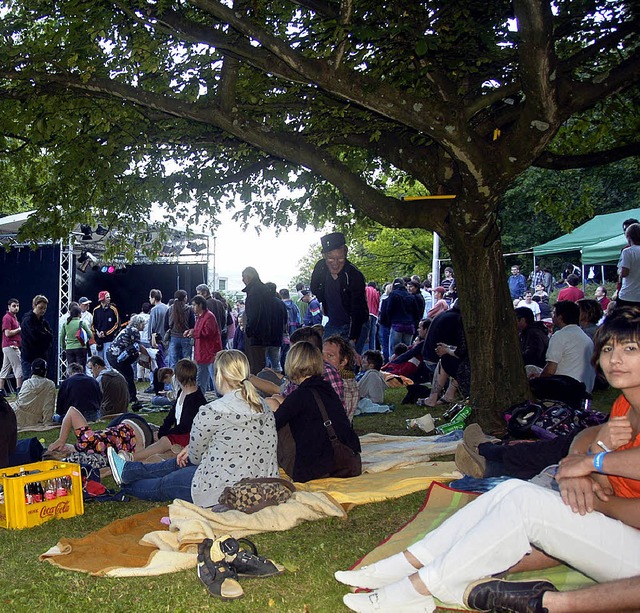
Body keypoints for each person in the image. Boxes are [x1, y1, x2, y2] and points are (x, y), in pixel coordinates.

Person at [335, 306, 640, 613]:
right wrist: (581, 466)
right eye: (609, 348)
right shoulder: (625, 406)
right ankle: (411, 563)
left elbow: (609, 484)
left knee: (524, 501)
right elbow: (589, 439)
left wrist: (592, 471)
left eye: (630, 349)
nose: (615, 359)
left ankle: (417, 588)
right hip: (617, 534)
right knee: (511, 492)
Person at [107, 350, 279, 506]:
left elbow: (195, 459)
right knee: (179, 462)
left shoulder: (211, 411)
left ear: (219, 375)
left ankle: (126, 482)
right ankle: (128, 470)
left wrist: (192, 449)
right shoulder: (264, 406)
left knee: (167, 482)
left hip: (226, 488)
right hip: (264, 485)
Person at [267, 341, 360, 482]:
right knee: (279, 404)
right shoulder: (327, 389)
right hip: (346, 461)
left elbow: (271, 426)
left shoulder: (299, 396)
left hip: (315, 468)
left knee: (272, 406)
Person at [132, 359, 207, 461]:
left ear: (178, 377)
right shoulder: (182, 391)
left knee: (164, 441)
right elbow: (172, 415)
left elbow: (185, 427)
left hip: (188, 436)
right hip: (179, 431)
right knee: (157, 436)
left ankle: (132, 457)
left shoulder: (196, 399)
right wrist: (163, 430)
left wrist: (167, 434)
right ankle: (139, 455)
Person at [310, 232, 369, 352]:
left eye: (340, 259)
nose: (335, 264)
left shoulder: (354, 276)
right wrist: (324, 300)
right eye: (331, 259)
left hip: (355, 324)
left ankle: (348, 371)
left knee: (347, 362)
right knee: (326, 357)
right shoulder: (320, 268)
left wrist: (353, 339)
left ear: (345, 254)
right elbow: (315, 288)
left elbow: (357, 309)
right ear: (324, 256)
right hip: (334, 322)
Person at [530, 301, 595, 406]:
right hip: (585, 387)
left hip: (566, 388)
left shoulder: (560, 336)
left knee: (530, 375)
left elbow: (550, 369)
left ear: (560, 317)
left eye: (554, 313)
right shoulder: (584, 336)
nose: (552, 316)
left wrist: (538, 378)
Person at [48, 406, 153, 456]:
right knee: (109, 429)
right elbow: (72, 411)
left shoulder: (88, 465)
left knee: (108, 434)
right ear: (64, 448)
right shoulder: (86, 441)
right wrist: (61, 439)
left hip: (144, 443)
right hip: (135, 424)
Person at [107, 314, 147, 406]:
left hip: (112, 355)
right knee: (128, 376)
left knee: (126, 375)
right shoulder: (134, 331)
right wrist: (151, 354)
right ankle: (131, 397)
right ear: (138, 324)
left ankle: (129, 396)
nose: (144, 326)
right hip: (118, 357)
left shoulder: (127, 329)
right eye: (143, 324)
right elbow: (138, 346)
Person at [185, 295, 222, 392]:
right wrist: (190, 331)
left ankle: (220, 396)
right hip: (201, 353)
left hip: (210, 352)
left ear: (200, 305)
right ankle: (199, 398)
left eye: (194, 305)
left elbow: (208, 332)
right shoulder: (199, 317)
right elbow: (199, 330)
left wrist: (194, 333)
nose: (193, 307)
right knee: (200, 379)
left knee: (215, 378)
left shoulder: (209, 316)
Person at [379, 278, 422, 358]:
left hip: (397, 325)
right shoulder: (410, 295)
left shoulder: (393, 294)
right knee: (407, 349)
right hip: (409, 326)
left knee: (394, 349)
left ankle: (393, 367)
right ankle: (405, 366)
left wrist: (390, 322)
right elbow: (416, 312)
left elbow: (389, 309)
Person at [323, 335, 359, 422]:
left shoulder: (345, 384)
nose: (324, 360)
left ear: (343, 361)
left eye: (330, 356)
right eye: (321, 354)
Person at [13, 358, 56, 427]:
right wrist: (47, 422)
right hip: (34, 419)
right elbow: (48, 406)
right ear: (45, 371)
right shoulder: (50, 384)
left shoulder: (26, 383)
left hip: (17, 415)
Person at [20, 294, 53, 380]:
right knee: (28, 381)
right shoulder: (27, 320)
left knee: (42, 382)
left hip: (42, 356)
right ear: (34, 305)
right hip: (29, 357)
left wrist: (44, 336)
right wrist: (45, 336)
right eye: (41, 307)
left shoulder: (44, 322)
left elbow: (50, 337)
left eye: (45, 308)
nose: (43, 310)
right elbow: (34, 337)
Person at [166, 290, 195, 367]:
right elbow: (192, 324)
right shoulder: (189, 309)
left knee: (173, 361)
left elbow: (166, 325)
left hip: (173, 337)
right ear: (185, 298)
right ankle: (186, 377)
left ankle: (174, 378)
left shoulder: (170, 309)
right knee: (186, 361)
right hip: (186, 337)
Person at [59, 303, 93, 369]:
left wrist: (64, 347)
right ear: (79, 314)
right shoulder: (81, 323)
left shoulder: (66, 324)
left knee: (71, 368)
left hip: (69, 348)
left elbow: (61, 337)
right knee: (81, 368)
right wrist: (85, 340)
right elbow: (90, 334)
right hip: (81, 348)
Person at [0, 298, 22, 397]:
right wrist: (19, 329)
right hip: (11, 345)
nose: (16, 308)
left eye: (17, 306)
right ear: (9, 307)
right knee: (18, 367)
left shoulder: (13, 318)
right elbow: (7, 333)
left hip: (8, 345)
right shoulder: (7, 318)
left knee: (5, 368)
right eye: (14, 306)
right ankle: (19, 389)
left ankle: (1, 390)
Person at [92, 290, 120, 364]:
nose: (109, 299)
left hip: (109, 340)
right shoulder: (96, 310)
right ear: (102, 299)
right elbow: (93, 324)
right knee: (99, 362)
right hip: (99, 340)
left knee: (108, 361)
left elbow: (117, 324)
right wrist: (97, 333)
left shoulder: (113, 310)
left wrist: (106, 333)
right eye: (107, 297)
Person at [617, 222, 640, 307]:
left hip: (628, 295)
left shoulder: (627, 251)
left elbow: (625, 273)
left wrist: (619, 271)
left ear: (628, 236)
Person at [365, 282, 380, 351]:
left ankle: (365, 352)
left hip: (366, 314)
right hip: (374, 314)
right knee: (372, 335)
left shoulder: (365, 289)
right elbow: (378, 304)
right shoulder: (376, 292)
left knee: (365, 335)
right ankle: (372, 351)